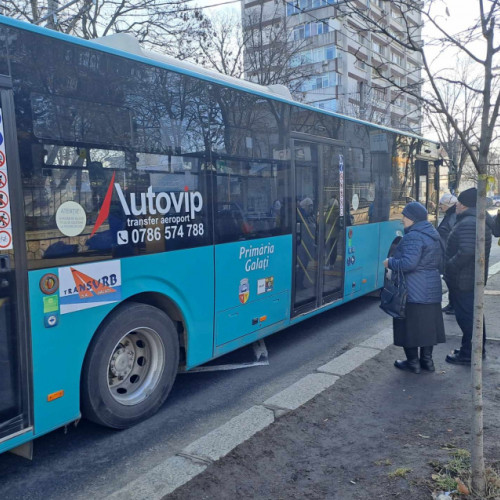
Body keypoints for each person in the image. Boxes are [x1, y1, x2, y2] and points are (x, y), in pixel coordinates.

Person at [383, 202, 445, 374]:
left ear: (412, 218)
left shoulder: (413, 236)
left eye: (404, 215)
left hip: (413, 289)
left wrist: (390, 263)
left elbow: (409, 263)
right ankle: (427, 362)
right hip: (431, 287)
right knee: (428, 327)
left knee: (407, 327)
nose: (402, 219)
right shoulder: (433, 234)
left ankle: (413, 363)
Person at [444, 187, 492, 364]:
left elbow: (465, 252)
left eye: (459, 202)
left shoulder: (469, 223)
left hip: (464, 279)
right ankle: (471, 349)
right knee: (474, 316)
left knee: (467, 318)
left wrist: (449, 266)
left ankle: (469, 354)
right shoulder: (475, 220)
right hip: (470, 278)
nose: (456, 205)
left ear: (464, 205)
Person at [437, 193, 458, 315]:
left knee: (451, 281)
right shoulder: (450, 214)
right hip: (446, 251)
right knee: (449, 280)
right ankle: (451, 304)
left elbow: (450, 235)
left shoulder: (453, 216)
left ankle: (454, 306)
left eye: (442, 204)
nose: (440, 206)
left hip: (448, 252)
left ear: (449, 204)